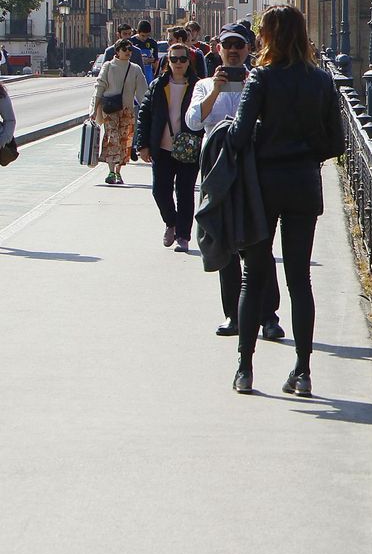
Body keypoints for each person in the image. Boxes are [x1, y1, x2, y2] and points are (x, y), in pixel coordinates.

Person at [227, 5, 341, 395]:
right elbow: (336, 143)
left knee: (253, 277)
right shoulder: (322, 81)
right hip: (304, 185)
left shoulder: (261, 77)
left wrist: (261, 137)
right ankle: (303, 372)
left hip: (263, 186)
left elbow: (238, 136)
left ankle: (244, 369)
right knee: (299, 280)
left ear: (270, 37)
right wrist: (304, 152)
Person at [189, 22, 282, 338]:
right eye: (227, 45)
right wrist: (216, 89)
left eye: (238, 46)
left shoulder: (257, 80)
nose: (232, 50)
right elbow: (193, 120)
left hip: (253, 168)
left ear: (248, 50)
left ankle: (269, 316)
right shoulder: (203, 84)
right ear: (218, 50)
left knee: (259, 241)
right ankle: (234, 316)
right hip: (216, 169)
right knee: (222, 238)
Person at [133, 45, 202, 250]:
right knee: (159, 191)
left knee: (185, 192)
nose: (178, 63)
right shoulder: (158, 85)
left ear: (189, 62)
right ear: (168, 61)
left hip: (189, 149)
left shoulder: (198, 86)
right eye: (174, 59)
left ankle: (183, 236)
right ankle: (170, 222)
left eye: (183, 59)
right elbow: (144, 116)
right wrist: (142, 145)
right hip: (162, 147)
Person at [93, 39, 149, 185]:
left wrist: (148, 109)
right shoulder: (108, 66)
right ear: (117, 51)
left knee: (125, 141)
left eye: (130, 50)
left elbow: (142, 92)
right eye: (125, 50)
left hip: (127, 110)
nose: (128, 53)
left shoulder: (135, 69)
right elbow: (100, 87)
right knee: (113, 138)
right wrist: (93, 109)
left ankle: (118, 171)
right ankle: (111, 172)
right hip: (110, 110)